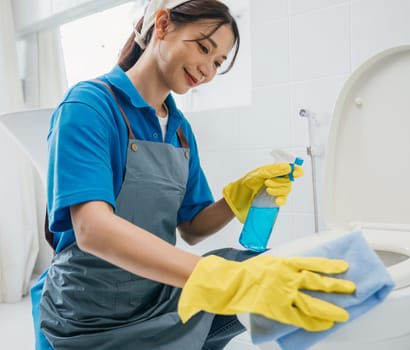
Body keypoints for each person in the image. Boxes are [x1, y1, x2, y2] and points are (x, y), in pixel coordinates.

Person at [30, 0, 356, 349]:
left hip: (157, 294)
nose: (208, 71)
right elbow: (92, 230)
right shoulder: (90, 105)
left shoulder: (180, 129)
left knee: (277, 269)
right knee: (245, 279)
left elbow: (193, 228)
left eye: (217, 62)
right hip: (89, 311)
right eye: (204, 48)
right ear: (163, 24)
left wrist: (236, 199)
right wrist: (218, 277)